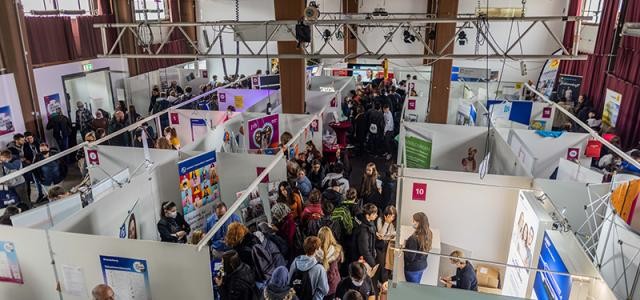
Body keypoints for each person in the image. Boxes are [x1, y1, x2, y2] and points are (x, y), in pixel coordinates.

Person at [404, 212, 433, 284]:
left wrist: (404, 248)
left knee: (412, 289)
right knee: (416, 286)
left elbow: (411, 257)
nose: (412, 222)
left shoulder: (413, 238)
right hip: (422, 265)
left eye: (414, 221)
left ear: (419, 223)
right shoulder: (429, 233)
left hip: (413, 268)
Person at [316, 227, 343, 299]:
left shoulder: (314, 252)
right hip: (334, 286)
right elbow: (339, 267)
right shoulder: (337, 250)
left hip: (319, 286)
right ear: (331, 236)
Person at [376, 206, 397, 284]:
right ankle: (382, 282)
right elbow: (381, 235)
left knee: (389, 263)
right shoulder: (380, 220)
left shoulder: (395, 222)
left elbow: (395, 233)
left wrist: (387, 235)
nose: (392, 218)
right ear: (385, 215)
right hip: (381, 245)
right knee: (382, 264)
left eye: (393, 216)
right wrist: (386, 223)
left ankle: (387, 282)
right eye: (390, 215)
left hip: (390, 244)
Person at [354, 203, 378, 269]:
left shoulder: (370, 223)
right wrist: (373, 264)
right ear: (367, 216)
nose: (376, 215)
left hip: (369, 257)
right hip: (364, 261)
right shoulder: (363, 230)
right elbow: (364, 251)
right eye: (374, 214)